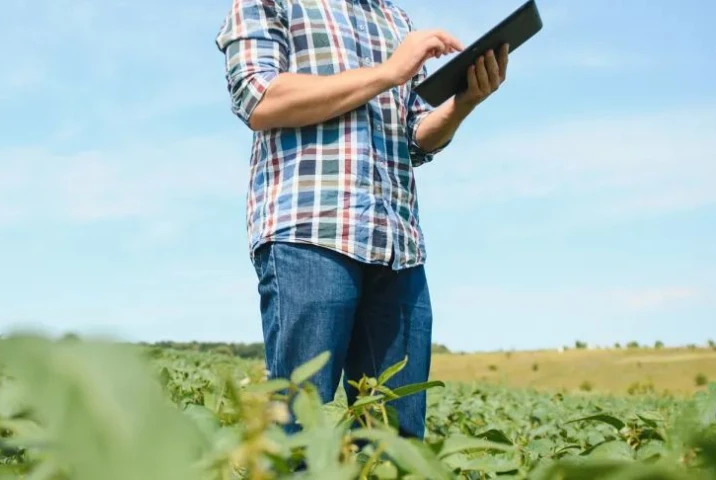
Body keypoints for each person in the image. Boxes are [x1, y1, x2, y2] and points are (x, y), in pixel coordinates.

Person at [214, 0, 509, 439]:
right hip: (309, 232)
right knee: (296, 431)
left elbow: (415, 139)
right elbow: (258, 96)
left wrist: (463, 103)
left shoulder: (395, 19)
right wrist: (388, 72)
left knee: (396, 440)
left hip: (398, 245)